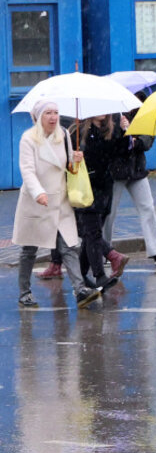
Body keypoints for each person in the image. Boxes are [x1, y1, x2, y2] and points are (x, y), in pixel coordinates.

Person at [14, 100, 101, 309]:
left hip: (60, 200)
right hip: (37, 202)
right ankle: (24, 292)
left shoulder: (62, 134)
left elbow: (68, 165)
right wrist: (38, 193)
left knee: (69, 245)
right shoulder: (28, 139)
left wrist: (76, 160)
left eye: (56, 113)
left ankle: (80, 289)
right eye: (48, 113)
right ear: (38, 116)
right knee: (29, 249)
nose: (53, 117)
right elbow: (27, 170)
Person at [103, 104, 156, 266]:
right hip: (115, 171)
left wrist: (132, 135)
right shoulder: (111, 114)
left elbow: (147, 141)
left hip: (136, 169)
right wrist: (121, 132)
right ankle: (104, 251)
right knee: (109, 212)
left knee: (147, 207)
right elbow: (107, 143)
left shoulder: (144, 112)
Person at [75, 114, 124, 291]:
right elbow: (69, 159)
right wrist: (76, 157)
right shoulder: (80, 132)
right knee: (93, 233)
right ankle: (99, 276)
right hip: (85, 188)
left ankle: (80, 277)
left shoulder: (113, 130)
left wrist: (125, 133)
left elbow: (122, 154)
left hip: (105, 188)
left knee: (90, 235)